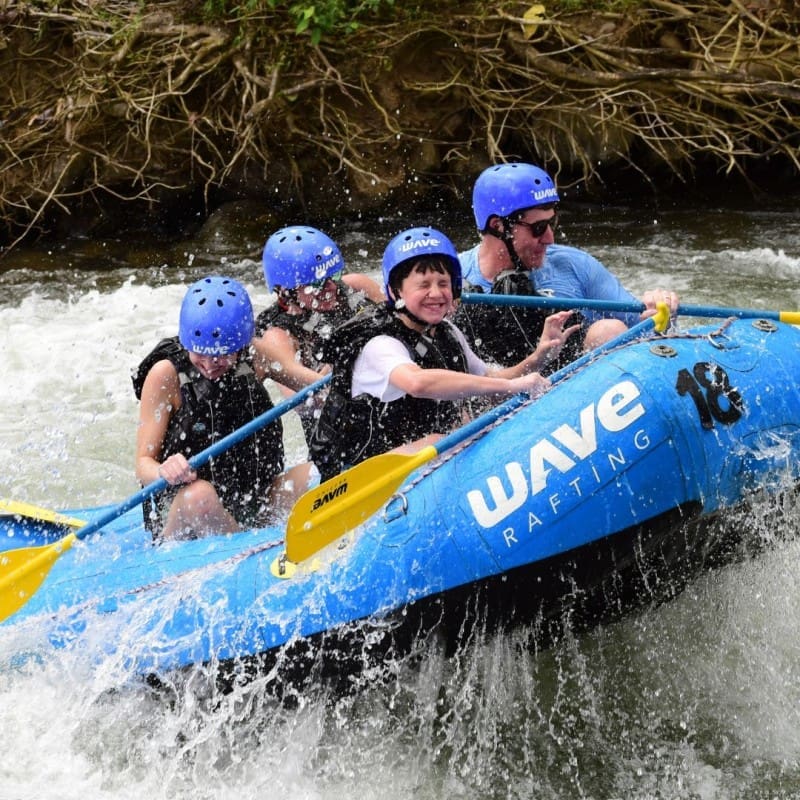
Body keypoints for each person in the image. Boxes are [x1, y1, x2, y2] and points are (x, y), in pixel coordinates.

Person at [307, 226, 579, 482]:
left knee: (465, 428)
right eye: (423, 285)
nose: (436, 293)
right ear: (395, 291)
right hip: (356, 475)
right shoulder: (379, 343)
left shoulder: (447, 332)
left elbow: (490, 382)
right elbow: (418, 383)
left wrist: (538, 358)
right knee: (442, 439)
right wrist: (512, 385)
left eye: (444, 283)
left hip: (418, 461)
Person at [454, 162, 679, 364]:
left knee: (608, 331)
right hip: (502, 392)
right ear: (498, 226)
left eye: (552, 223)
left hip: (580, 393)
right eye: (538, 228)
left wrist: (660, 312)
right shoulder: (448, 280)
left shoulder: (574, 264)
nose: (550, 238)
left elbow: (644, 329)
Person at [133, 276, 286, 540]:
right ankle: (256, 554)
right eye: (200, 354)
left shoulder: (254, 354)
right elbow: (142, 464)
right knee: (201, 495)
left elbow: (312, 383)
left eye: (223, 354)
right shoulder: (165, 375)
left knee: (313, 475)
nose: (210, 364)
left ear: (241, 344)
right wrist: (164, 470)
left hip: (249, 501)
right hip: (186, 511)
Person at [253, 225, 384, 445]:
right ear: (286, 291)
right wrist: (342, 366)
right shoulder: (277, 336)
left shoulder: (357, 286)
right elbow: (304, 404)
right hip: (337, 434)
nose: (331, 287)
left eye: (333, 276)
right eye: (317, 284)